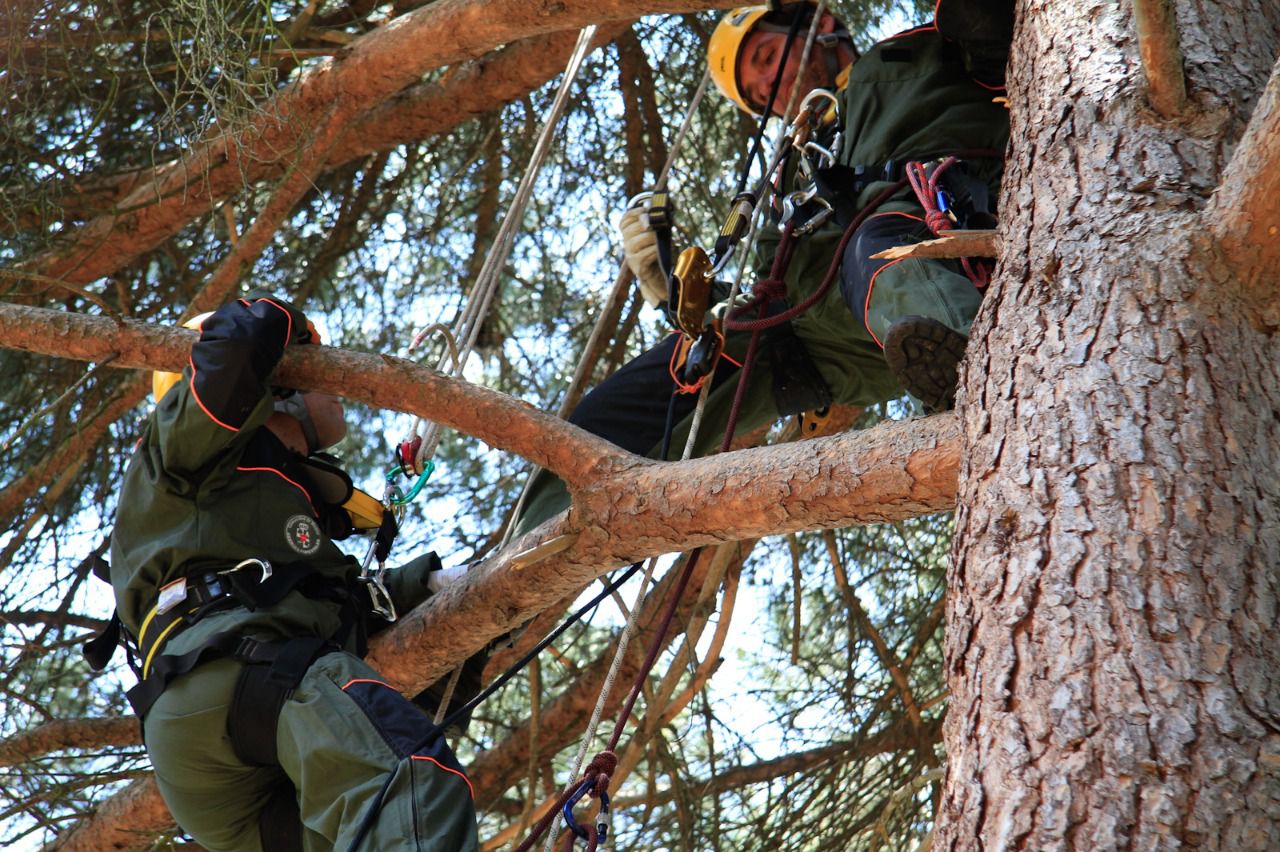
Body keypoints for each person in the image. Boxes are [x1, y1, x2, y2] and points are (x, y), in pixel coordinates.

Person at [513, 0, 1014, 536]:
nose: (773, 85)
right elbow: (774, 284)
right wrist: (672, 294)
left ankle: (989, 378)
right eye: (759, 94)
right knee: (625, 408)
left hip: (935, 223)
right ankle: (519, 553)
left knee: (878, 248)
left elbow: (992, 27)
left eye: (769, 57)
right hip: (811, 332)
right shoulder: (796, 161)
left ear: (820, 24)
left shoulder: (911, 53)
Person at [94, 295, 479, 850]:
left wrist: (431, 584)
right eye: (314, 369)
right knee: (411, 782)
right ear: (278, 389)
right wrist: (287, 326)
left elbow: (342, 608)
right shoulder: (184, 451)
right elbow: (239, 344)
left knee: (371, 826)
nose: (335, 385)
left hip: (215, 755)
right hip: (244, 671)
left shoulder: (260, 514)